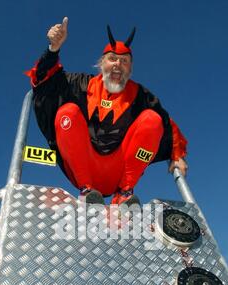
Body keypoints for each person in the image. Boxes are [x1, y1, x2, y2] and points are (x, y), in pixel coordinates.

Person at [26, 17, 188, 206]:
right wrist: (53, 49)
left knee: (153, 120)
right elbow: (43, 80)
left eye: (124, 61)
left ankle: (125, 192)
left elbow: (168, 124)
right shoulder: (79, 84)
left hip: (120, 170)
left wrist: (177, 155)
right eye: (113, 59)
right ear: (102, 63)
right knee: (67, 112)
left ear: (130, 68)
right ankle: (87, 191)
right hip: (83, 166)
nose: (118, 64)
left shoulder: (141, 96)